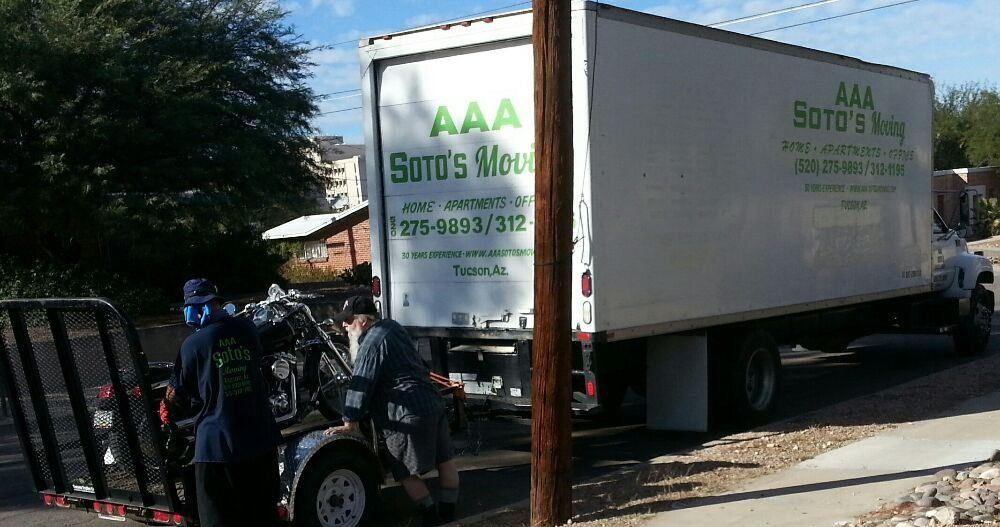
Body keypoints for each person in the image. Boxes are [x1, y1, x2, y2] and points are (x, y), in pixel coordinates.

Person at [324, 295, 460, 526]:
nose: (344, 327)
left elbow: (361, 382)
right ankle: (448, 511)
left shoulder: (371, 343)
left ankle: (430, 516)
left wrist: (350, 420)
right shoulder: (392, 327)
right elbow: (418, 362)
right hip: (432, 403)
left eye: (348, 321)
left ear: (363, 320)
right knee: (445, 461)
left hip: (404, 411)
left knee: (403, 471)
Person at [161, 278, 281, 527]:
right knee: (262, 516)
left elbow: (176, 393)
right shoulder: (247, 329)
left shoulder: (192, 345)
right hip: (260, 441)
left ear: (194, 309)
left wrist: (165, 409)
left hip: (217, 449)